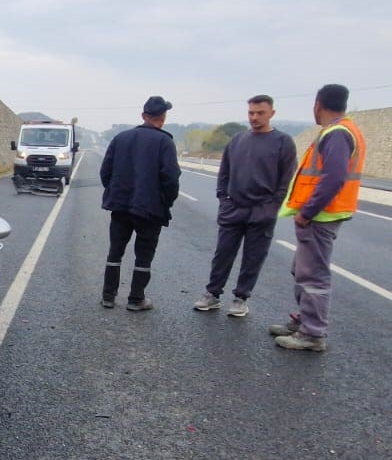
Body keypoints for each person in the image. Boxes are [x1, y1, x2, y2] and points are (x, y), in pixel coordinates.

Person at [272, 84, 368, 352]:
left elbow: (333, 177)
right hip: (324, 215)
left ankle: (312, 333)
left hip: (320, 217)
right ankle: (305, 321)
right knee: (302, 269)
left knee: (313, 275)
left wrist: (307, 212)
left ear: (318, 104)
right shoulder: (342, 130)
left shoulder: (337, 134)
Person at [194, 94, 297, 317]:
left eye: (260, 113)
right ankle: (212, 294)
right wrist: (224, 199)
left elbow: (286, 179)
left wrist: (272, 207)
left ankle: (241, 298)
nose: (255, 117)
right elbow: (224, 172)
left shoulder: (283, 142)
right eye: (251, 113)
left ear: (272, 113)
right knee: (223, 253)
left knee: (253, 257)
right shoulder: (238, 140)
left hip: (262, 210)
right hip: (234, 208)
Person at [99, 96, 181, 311]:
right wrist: (166, 201)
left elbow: (105, 172)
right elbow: (171, 178)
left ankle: (108, 296)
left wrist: (115, 193)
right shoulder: (165, 142)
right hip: (150, 209)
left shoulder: (121, 138)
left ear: (144, 116)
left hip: (120, 207)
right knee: (144, 255)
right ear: (163, 117)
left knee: (115, 251)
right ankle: (136, 299)